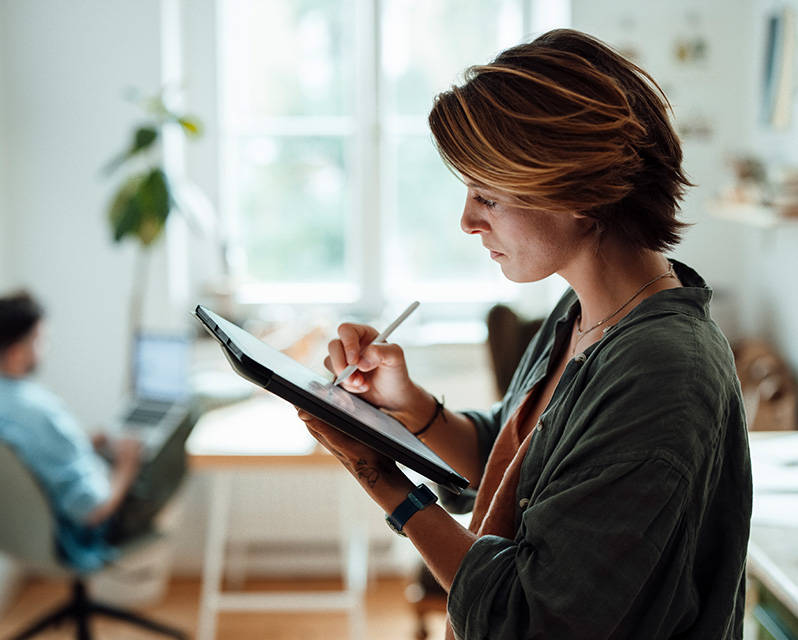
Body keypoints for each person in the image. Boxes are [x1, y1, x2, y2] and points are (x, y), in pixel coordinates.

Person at [297, 29, 752, 639]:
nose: (466, 220)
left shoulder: (663, 370)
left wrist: (380, 478)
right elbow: (512, 463)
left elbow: (528, 620)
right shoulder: (584, 312)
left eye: (486, 194)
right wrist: (408, 407)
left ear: (579, 192)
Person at [0, 290, 191, 571]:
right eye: (41, 340)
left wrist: (81, 443)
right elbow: (93, 510)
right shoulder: (39, 410)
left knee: (120, 446)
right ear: (17, 353)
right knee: (189, 412)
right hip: (84, 534)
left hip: (23, 532)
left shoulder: (13, 405)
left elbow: (32, 463)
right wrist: (126, 466)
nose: (46, 347)